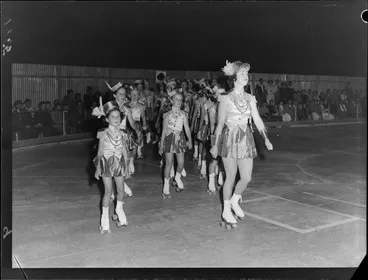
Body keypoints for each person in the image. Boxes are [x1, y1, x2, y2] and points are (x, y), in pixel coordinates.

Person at [210, 61, 273, 229]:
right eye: (243, 74)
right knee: (230, 176)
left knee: (246, 177)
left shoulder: (250, 98)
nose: (246, 77)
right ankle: (226, 210)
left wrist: (265, 137)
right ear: (235, 78)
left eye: (247, 74)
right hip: (229, 137)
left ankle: (235, 200)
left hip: (246, 139)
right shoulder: (226, 98)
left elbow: (257, 119)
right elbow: (219, 123)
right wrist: (214, 145)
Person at [92, 100, 129, 234]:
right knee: (108, 191)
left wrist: (129, 163)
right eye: (112, 117)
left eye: (118, 117)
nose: (116, 119)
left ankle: (119, 209)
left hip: (119, 163)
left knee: (120, 190)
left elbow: (124, 149)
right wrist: (97, 167)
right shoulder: (103, 133)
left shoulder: (123, 133)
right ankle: (104, 220)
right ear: (107, 119)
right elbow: (100, 151)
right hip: (106, 163)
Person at [159, 89, 192, 198]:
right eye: (176, 99)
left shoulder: (183, 114)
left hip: (180, 139)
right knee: (168, 162)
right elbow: (164, 130)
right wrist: (161, 144)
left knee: (181, 163)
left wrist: (190, 140)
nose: (178, 101)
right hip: (169, 139)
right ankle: (166, 185)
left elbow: (186, 128)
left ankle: (177, 177)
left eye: (180, 100)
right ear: (171, 100)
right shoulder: (167, 114)